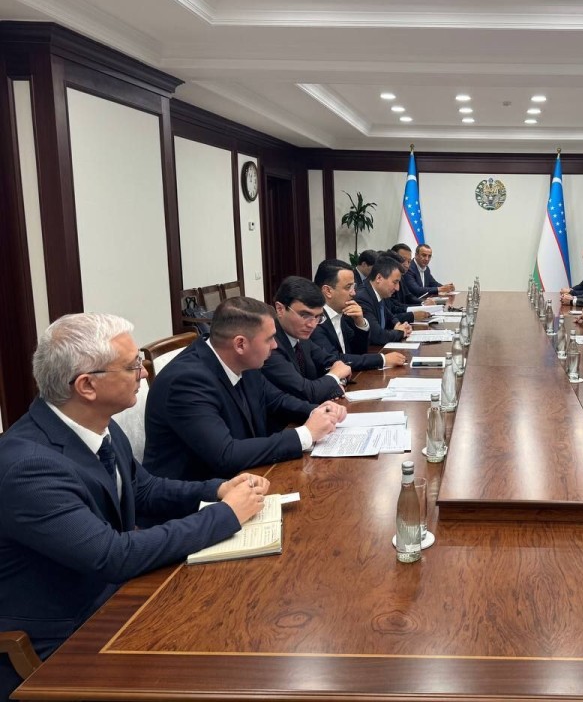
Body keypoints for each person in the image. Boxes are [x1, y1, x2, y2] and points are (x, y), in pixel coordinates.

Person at [0, 313, 269, 698]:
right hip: (60, 638)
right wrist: (225, 515)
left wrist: (220, 488)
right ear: (87, 385)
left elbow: (143, 490)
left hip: (113, 597)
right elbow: (112, 556)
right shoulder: (29, 467)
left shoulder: (98, 424)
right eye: (131, 366)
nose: (143, 372)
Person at [144, 297, 345, 482]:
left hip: (245, 477)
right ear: (240, 344)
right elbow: (226, 455)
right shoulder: (186, 381)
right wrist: (305, 434)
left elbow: (276, 400)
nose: (275, 346)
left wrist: (318, 411)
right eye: (269, 339)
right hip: (196, 496)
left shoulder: (242, 360)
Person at [261, 276, 351, 403]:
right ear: (280, 309)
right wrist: (334, 377)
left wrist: (337, 382)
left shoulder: (301, 336)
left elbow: (333, 363)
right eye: (304, 315)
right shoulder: (269, 346)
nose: (312, 325)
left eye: (318, 317)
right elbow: (306, 392)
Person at [312, 260, 407, 371]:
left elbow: (358, 352)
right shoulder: (315, 320)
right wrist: (382, 359)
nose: (353, 293)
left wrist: (360, 323)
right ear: (328, 291)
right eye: (348, 287)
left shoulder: (342, 313)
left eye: (353, 286)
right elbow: (334, 360)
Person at [356, 256, 413, 345]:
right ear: (379, 278)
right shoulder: (362, 298)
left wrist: (398, 325)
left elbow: (390, 316)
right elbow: (377, 336)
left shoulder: (380, 292)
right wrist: (401, 332)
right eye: (395, 282)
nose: (397, 288)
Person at [382, 249, 431, 323]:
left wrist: (422, 304)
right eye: (403, 260)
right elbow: (389, 316)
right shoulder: (368, 296)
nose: (406, 265)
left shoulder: (401, 276)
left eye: (409, 261)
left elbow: (408, 296)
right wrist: (413, 315)